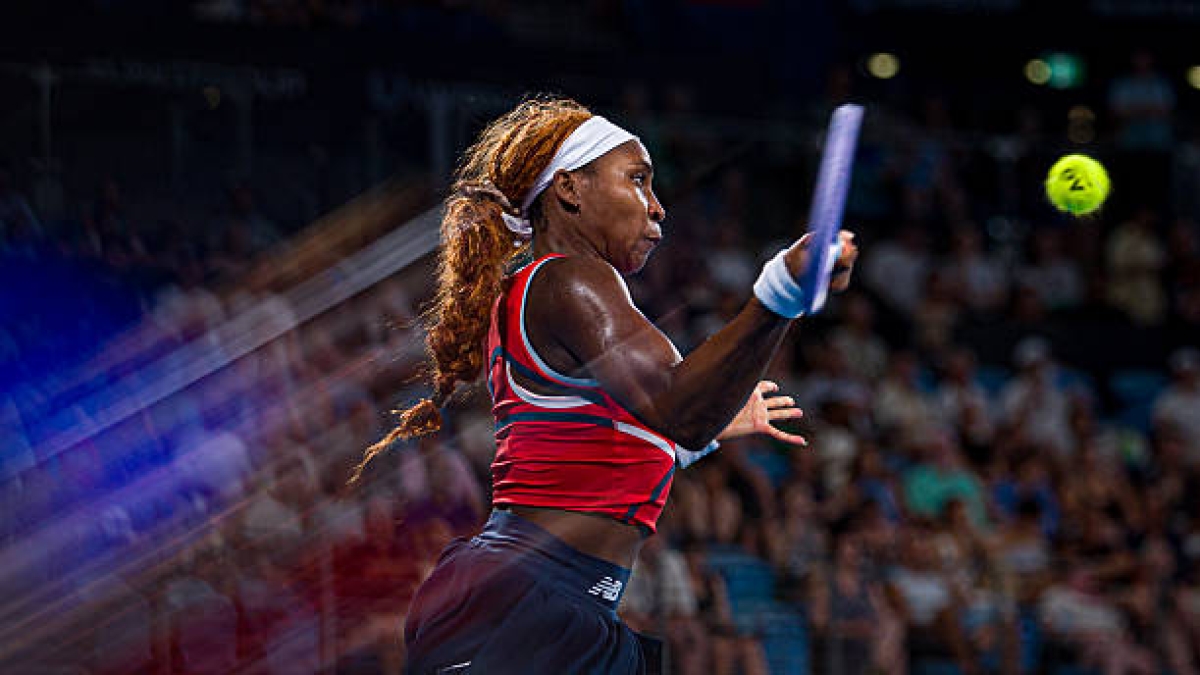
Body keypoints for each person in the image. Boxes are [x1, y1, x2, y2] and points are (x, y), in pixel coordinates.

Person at [352, 96, 859, 674]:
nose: (657, 206)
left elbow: (590, 451)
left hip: (544, 603)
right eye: (637, 179)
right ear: (570, 188)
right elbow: (679, 409)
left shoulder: (553, 294)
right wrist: (780, 291)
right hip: (524, 604)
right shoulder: (569, 280)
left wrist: (697, 436)